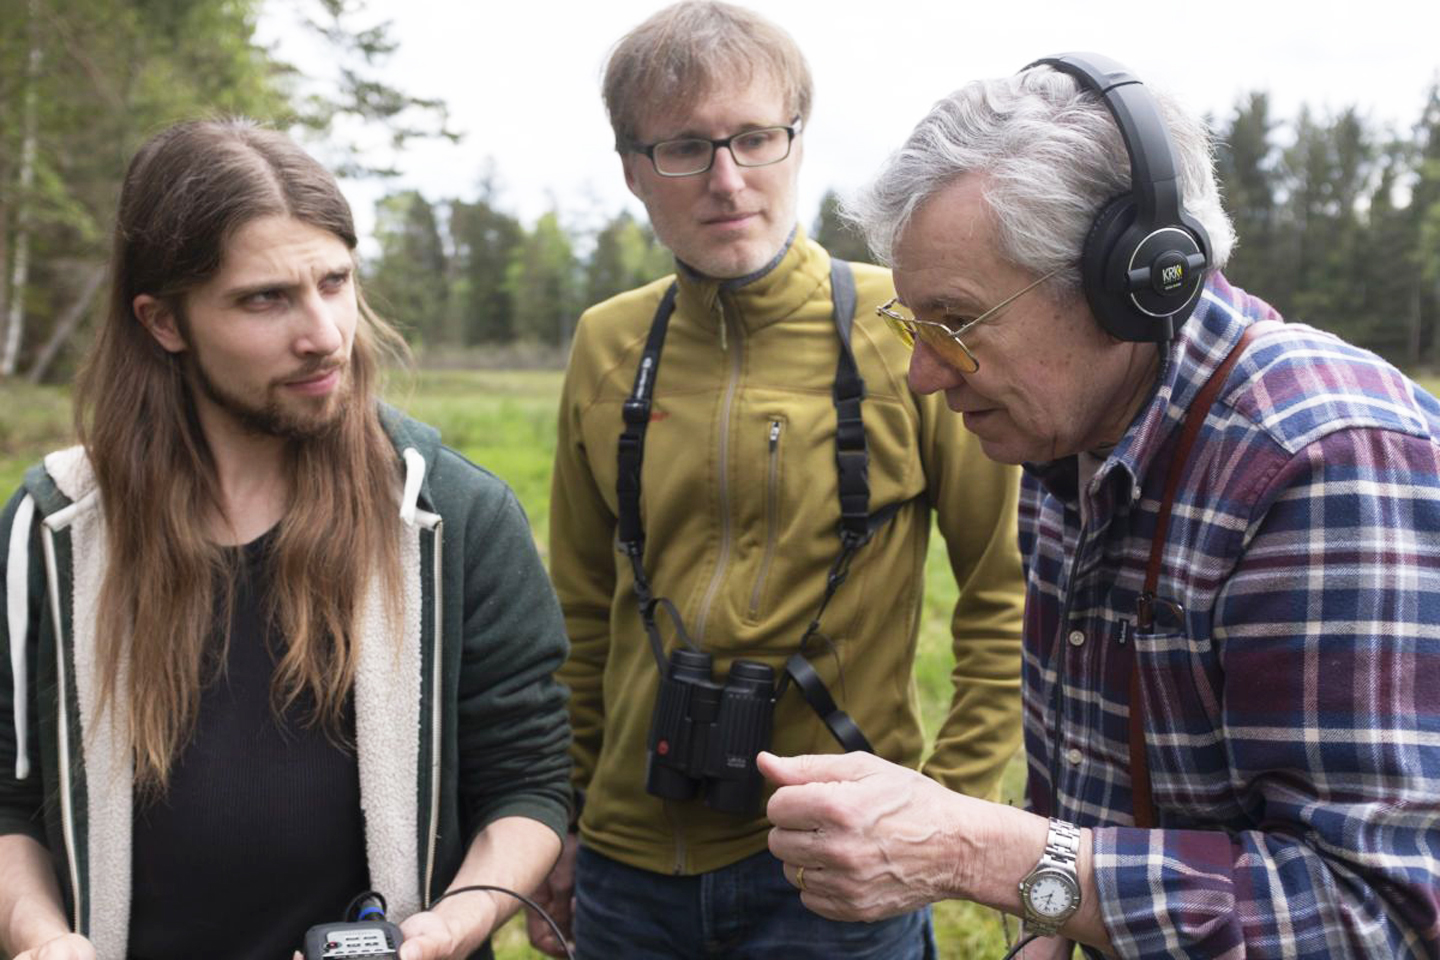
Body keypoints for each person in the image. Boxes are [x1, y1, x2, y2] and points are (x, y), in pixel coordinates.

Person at [760, 52, 1440, 959]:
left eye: (955, 324)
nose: (924, 375)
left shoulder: (1323, 463)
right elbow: (1077, 811)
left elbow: (1374, 914)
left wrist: (972, 847)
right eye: (914, 328)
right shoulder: (1064, 448)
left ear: (1130, 284)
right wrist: (1043, 928)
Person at [0, 119, 572, 960]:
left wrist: (452, 927)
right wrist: (41, 939)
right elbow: (8, 802)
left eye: (335, 282)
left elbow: (527, 785)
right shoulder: (55, 529)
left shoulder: (452, 517)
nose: (324, 334)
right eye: (265, 298)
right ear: (164, 322)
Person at [533, 3, 1027, 958]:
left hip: (837, 865)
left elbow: (1006, 590)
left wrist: (944, 815)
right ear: (634, 170)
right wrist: (564, 813)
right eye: (684, 147)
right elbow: (581, 612)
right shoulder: (607, 343)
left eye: (754, 138)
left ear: (798, 139)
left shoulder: (905, 323)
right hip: (628, 864)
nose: (727, 180)